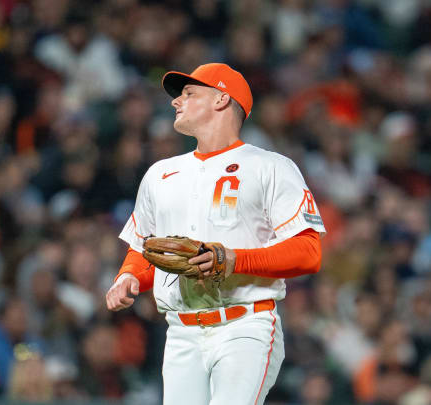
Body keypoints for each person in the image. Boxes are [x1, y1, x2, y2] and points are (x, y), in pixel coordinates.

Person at [105, 63, 325, 405]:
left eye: (190, 93)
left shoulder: (270, 167)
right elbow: (145, 248)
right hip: (181, 332)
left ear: (222, 99)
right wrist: (128, 276)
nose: (177, 102)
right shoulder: (160, 173)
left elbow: (309, 253)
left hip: (244, 325)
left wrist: (236, 259)